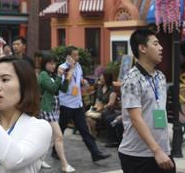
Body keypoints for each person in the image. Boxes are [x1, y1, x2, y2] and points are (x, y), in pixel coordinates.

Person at [118, 29, 175, 173]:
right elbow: (136, 119)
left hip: (163, 151)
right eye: (155, 44)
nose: (161, 48)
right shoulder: (132, 79)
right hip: (138, 156)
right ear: (142, 48)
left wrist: (163, 148)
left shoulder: (160, 77)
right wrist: (156, 151)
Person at [58, 46, 111, 162]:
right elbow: (63, 85)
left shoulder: (78, 66)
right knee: (60, 129)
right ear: (68, 56)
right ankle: (55, 151)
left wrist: (82, 81)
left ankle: (95, 153)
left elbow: (78, 78)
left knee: (84, 130)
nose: (77, 57)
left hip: (77, 104)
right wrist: (70, 68)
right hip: (66, 104)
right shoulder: (62, 68)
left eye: (78, 55)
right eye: (75, 55)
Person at [38, 52, 74, 172]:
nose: (53, 65)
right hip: (46, 109)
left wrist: (67, 78)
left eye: (54, 63)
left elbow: (62, 89)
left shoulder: (52, 75)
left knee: (47, 137)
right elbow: (53, 88)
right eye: (50, 63)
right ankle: (64, 164)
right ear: (45, 64)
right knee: (58, 136)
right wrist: (59, 75)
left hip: (54, 109)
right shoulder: (43, 75)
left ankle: (40, 159)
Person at [85, 69, 118, 137]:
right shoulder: (100, 87)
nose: (100, 78)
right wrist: (95, 107)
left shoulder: (112, 90)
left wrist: (102, 107)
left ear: (106, 78)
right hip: (98, 108)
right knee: (87, 116)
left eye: (102, 77)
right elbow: (97, 99)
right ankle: (92, 133)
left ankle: (93, 133)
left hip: (107, 110)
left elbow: (111, 104)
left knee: (91, 117)